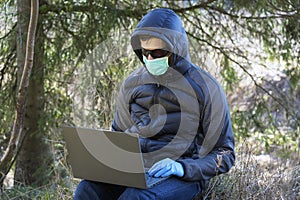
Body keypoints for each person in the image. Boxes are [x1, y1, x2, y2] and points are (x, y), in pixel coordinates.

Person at [74, 8, 235, 200]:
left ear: (175, 50)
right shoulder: (132, 84)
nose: (150, 59)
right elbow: (118, 134)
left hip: (182, 175)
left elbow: (225, 154)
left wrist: (182, 168)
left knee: (135, 198)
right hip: (136, 170)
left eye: (158, 52)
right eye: (145, 52)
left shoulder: (206, 88)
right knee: (87, 190)